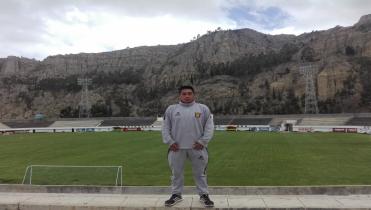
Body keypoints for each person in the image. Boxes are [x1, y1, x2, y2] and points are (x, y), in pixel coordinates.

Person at [162, 85, 214, 207]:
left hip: (198, 147)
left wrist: (203, 142)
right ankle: (176, 194)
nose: (187, 96)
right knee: (176, 173)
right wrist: (170, 142)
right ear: (180, 95)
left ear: (194, 95)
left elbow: (209, 127)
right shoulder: (171, 109)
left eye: (189, 93)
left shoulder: (203, 108)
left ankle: (204, 195)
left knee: (200, 173)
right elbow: (165, 127)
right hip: (176, 148)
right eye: (184, 93)